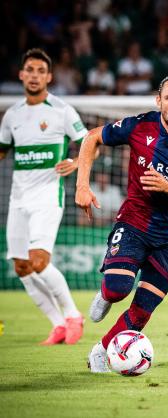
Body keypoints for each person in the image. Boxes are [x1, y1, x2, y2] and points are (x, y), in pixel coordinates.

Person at [76, 74, 168, 373]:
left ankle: (100, 351)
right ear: (159, 101)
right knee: (117, 289)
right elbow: (92, 137)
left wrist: (167, 186)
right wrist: (82, 186)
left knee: (143, 310)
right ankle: (106, 294)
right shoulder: (140, 125)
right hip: (135, 222)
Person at [0, 48, 86, 345]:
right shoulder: (12, 115)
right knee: (21, 267)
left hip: (48, 196)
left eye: (40, 71)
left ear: (49, 77)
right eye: (29, 70)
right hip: (18, 199)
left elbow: (89, 143)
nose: (34, 76)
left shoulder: (61, 110)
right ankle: (58, 324)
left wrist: (76, 163)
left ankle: (74, 315)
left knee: (38, 261)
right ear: (21, 75)